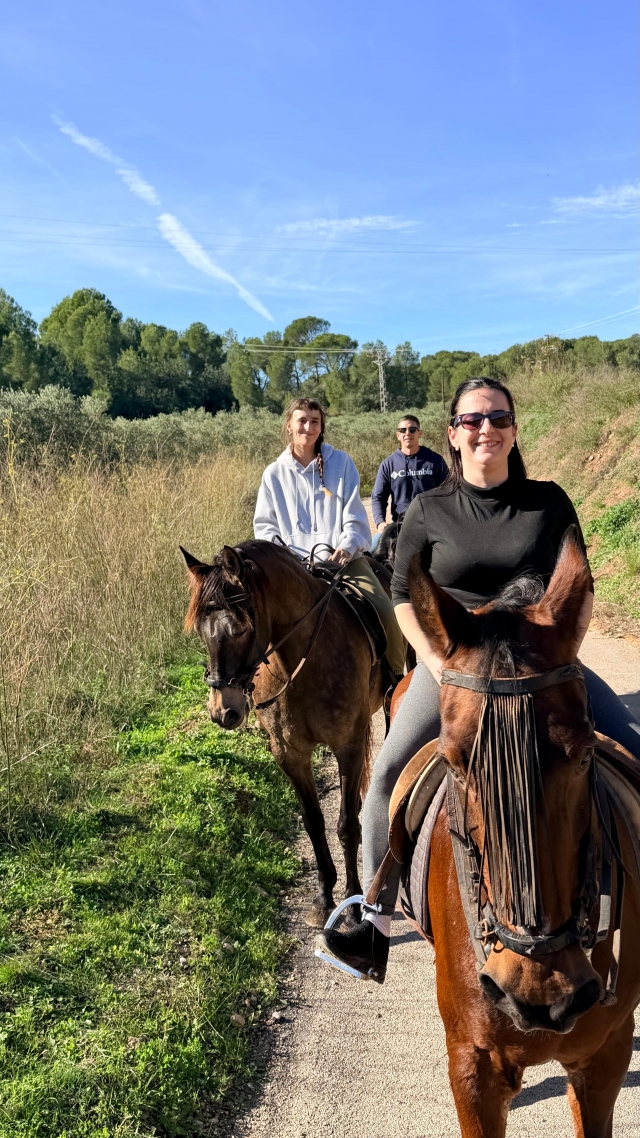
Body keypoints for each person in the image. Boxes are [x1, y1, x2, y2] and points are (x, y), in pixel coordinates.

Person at [318, 376, 640, 983]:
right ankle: (371, 921)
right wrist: (437, 665)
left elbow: (579, 585)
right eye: (472, 420)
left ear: (514, 431)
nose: (485, 429)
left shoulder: (549, 503)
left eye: (497, 419)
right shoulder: (429, 510)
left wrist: (562, 651)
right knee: (386, 774)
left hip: (541, 666)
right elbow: (400, 596)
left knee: (632, 747)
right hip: (459, 667)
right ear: (453, 433)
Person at [253, 397, 406, 681]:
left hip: (343, 563)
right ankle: (249, 692)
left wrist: (347, 547)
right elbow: (264, 528)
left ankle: (395, 681)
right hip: (292, 569)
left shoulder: (341, 463)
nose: (308, 427)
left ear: (321, 427)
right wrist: (286, 559)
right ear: (289, 425)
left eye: (314, 421)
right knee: (254, 623)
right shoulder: (273, 474)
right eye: (302, 420)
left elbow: (354, 516)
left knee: (386, 610)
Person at [371, 414, 448, 535]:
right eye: (402, 430)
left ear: (419, 433)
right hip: (400, 527)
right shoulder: (388, 464)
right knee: (372, 551)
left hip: (432, 526)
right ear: (398, 435)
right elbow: (378, 497)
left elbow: (448, 492)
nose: (407, 433)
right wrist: (380, 522)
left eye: (412, 430)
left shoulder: (435, 461)